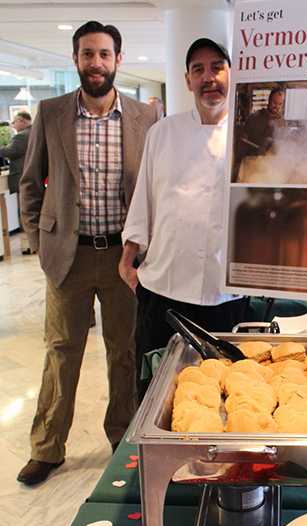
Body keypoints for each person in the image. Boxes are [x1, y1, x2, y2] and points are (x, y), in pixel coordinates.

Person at [17, 21, 160, 486]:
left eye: (103, 54)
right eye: (86, 54)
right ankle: (48, 447)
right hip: (69, 257)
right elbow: (30, 182)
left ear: (118, 60)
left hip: (125, 257)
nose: (95, 63)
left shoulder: (144, 118)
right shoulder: (51, 111)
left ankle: (122, 439)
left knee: (125, 350)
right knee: (61, 351)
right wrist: (41, 243)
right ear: (75, 59)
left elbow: (155, 189)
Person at [119, 38, 246, 401]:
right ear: (188, 80)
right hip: (164, 291)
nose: (209, 77)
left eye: (217, 67)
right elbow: (143, 200)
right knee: (158, 393)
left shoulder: (249, 136)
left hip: (227, 294)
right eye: (198, 69)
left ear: (231, 74)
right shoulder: (163, 132)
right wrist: (128, 260)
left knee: (225, 396)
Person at [0, 111, 33, 253]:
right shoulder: (33, 132)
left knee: (26, 212)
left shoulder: (22, 136)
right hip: (31, 177)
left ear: (21, 120)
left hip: (22, 178)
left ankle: (32, 245)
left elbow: (9, 151)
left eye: (14, 122)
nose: (13, 125)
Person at [240, 87, 285, 157]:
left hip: (273, 160)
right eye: (274, 102)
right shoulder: (255, 117)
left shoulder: (282, 121)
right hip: (254, 158)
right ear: (269, 100)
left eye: (280, 104)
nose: (277, 106)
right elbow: (244, 136)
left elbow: (284, 142)